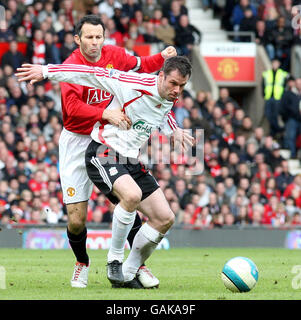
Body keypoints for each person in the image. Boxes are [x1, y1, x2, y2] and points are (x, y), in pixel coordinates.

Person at [23, 15, 178, 289]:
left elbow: (140, 66)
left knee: (127, 200)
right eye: (89, 37)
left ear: (104, 38)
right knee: (76, 220)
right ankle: (82, 262)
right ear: (77, 39)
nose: (95, 42)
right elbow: (71, 109)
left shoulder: (114, 55)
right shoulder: (73, 66)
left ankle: (136, 265)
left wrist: (162, 57)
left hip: (109, 139)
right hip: (76, 140)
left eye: (98, 37)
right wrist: (105, 112)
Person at [262, 58, 289, 137]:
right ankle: (277, 129)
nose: (275, 65)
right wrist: (264, 94)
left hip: (277, 97)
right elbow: (263, 85)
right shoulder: (267, 73)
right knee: (268, 114)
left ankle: (273, 131)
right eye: (273, 63)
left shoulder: (282, 73)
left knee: (275, 115)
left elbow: (285, 85)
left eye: (276, 63)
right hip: (268, 97)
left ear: (279, 64)